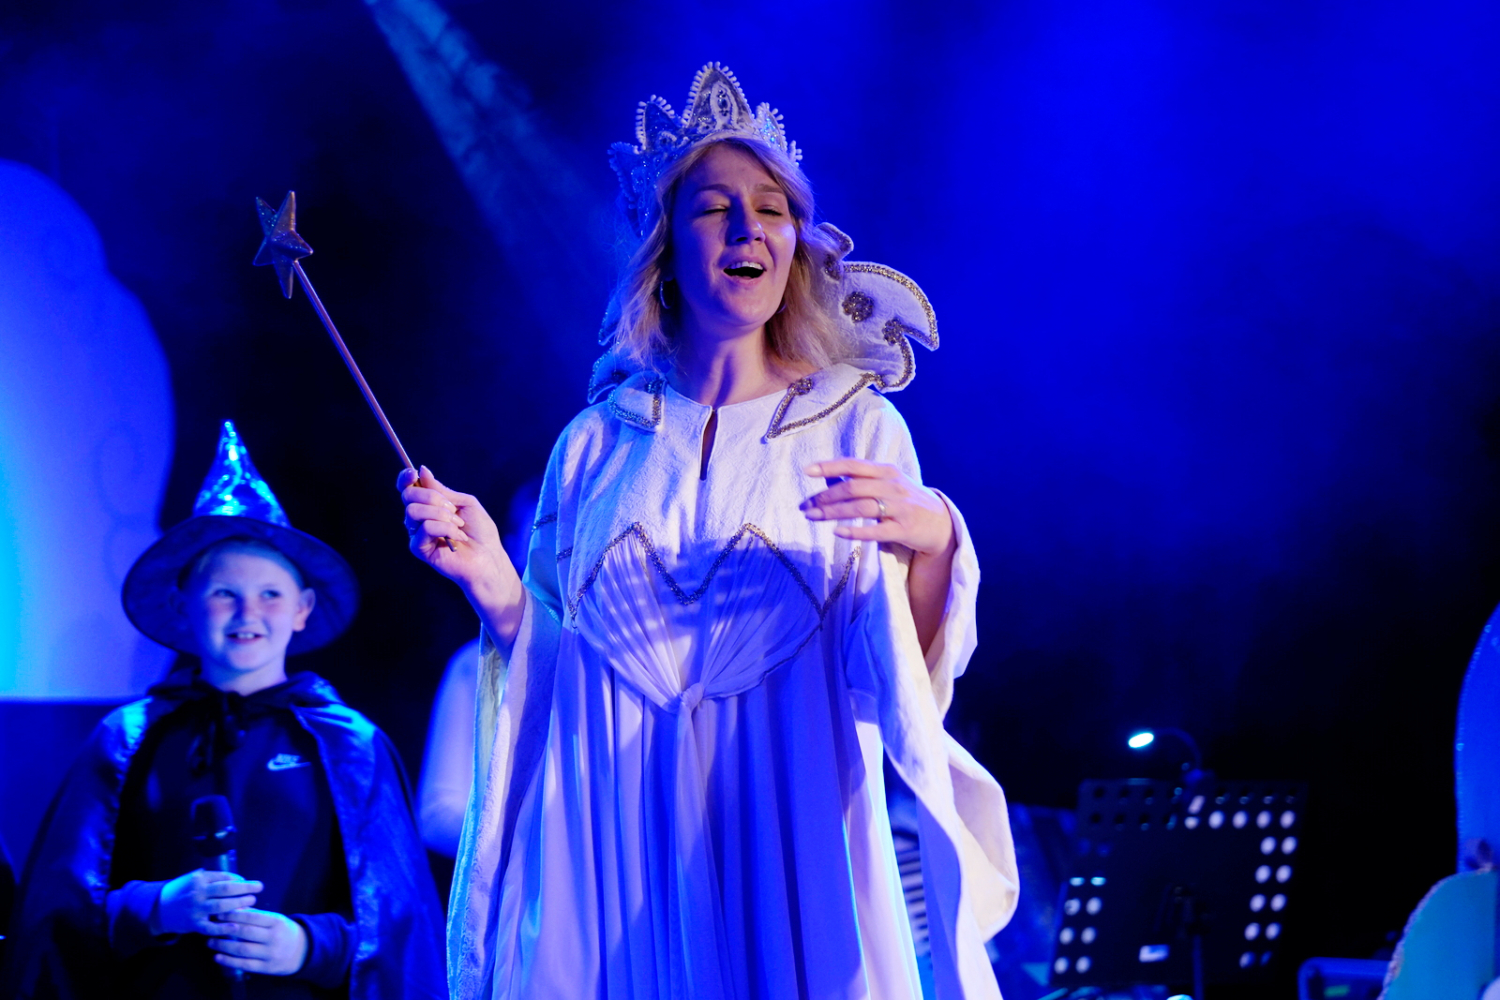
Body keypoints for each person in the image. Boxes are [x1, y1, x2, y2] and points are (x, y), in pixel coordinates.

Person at [400, 64, 1019, 999]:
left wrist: (933, 542)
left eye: (772, 209)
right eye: (714, 208)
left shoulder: (853, 423)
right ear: (665, 250)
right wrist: (496, 585)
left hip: (789, 823)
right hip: (627, 839)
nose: (747, 229)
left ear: (797, 243)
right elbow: (566, 676)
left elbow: (899, 671)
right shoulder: (596, 443)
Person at [5, 421, 445, 999]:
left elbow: (403, 927)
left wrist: (310, 945)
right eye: (222, 593)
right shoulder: (125, 739)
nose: (247, 613)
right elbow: (55, 920)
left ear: (302, 609)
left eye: (270, 594)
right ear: (182, 605)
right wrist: (155, 906)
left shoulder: (351, 746)